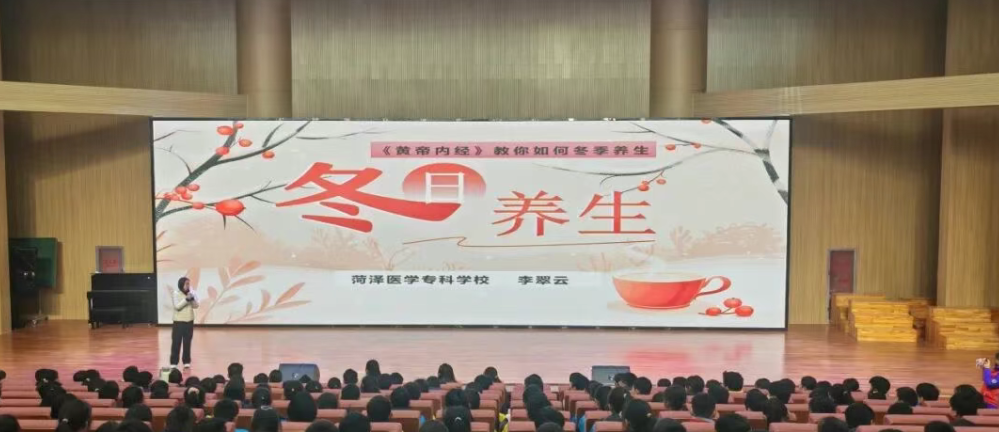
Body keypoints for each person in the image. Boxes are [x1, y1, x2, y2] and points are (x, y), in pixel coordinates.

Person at [169, 276, 199, 369]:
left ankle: (186, 361)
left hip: (189, 320)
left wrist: (192, 299)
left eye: (189, 284)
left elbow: (196, 306)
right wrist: (186, 299)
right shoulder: (176, 293)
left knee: (187, 342)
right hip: (178, 321)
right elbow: (177, 307)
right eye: (186, 284)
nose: (188, 285)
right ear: (181, 284)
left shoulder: (191, 293)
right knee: (176, 342)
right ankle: (174, 362)